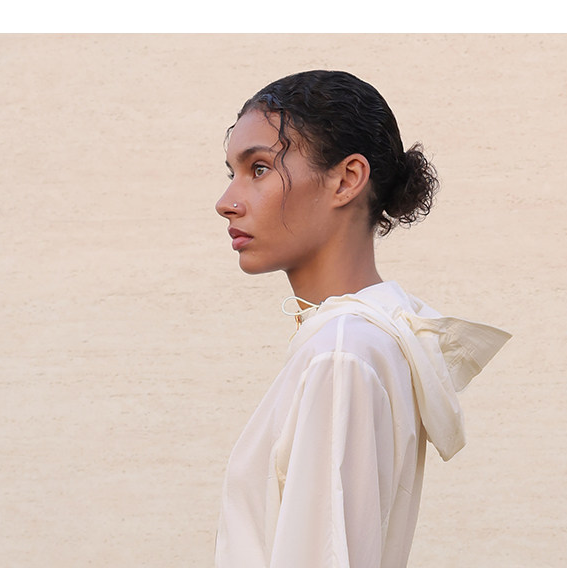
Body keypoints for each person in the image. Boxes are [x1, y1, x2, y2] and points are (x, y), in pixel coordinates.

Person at [214, 70, 510, 568]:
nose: (227, 203)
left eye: (259, 169)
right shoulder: (369, 339)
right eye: (232, 174)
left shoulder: (341, 353)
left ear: (347, 179)